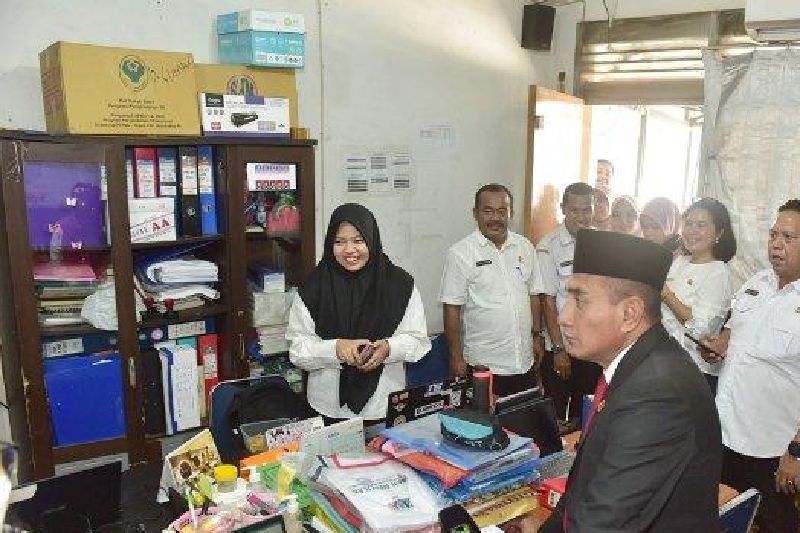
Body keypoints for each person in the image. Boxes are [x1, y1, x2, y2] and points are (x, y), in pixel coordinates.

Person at [540, 229, 722, 532]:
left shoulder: (658, 395)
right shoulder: (636, 365)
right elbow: (579, 493)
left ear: (630, 314)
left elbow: (600, 524)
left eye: (579, 300)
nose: (563, 317)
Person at [701, 199, 800, 532]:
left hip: (772, 450)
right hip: (725, 434)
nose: (776, 243)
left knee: (776, 525)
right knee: (722, 520)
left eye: (788, 237)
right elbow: (729, 339)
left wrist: (796, 453)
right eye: (774, 234)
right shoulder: (754, 284)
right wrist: (715, 349)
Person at [287, 203, 431, 422]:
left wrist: (389, 348)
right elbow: (297, 351)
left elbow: (419, 341)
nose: (349, 250)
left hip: (383, 405)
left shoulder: (400, 285)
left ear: (372, 240)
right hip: (326, 408)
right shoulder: (313, 287)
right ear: (329, 244)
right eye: (340, 241)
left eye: (358, 240)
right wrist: (336, 349)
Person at [440, 184, 544, 396]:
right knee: (487, 427)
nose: (495, 218)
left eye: (502, 211)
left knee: (524, 425)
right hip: (484, 367)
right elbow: (452, 308)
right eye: (488, 211)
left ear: (511, 214)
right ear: (475, 214)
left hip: (523, 362)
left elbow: (534, 294)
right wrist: (456, 358)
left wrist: (536, 335)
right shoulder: (461, 253)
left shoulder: (525, 247)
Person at [537, 182, 600, 425]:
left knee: (586, 413)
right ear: (563, 209)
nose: (582, 217)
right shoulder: (548, 246)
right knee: (556, 417)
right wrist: (558, 349)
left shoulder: (600, 243)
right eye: (575, 210)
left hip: (593, 344)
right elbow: (547, 302)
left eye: (587, 210)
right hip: (562, 345)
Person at [660, 197, 735, 394]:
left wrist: (665, 293)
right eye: (689, 224)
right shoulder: (679, 261)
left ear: (719, 233)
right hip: (664, 362)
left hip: (693, 371)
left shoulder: (718, 272)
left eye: (701, 225)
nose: (692, 231)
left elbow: (701, 328)